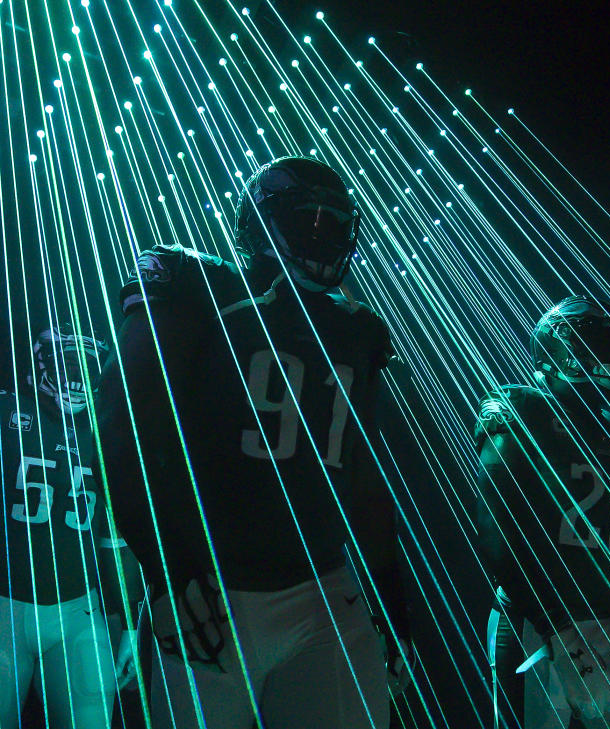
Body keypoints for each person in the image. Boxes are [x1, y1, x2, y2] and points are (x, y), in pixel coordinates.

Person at [95, 156, 409, 729]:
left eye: (335, 223)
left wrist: (391, 598)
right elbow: (127, 424)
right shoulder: (195, 284)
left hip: (322, 585)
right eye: (307, 220)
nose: (324, 234)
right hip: (214, 586)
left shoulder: (358, 329)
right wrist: (169, 569)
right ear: (259, 223)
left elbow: (362, 475)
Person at [475, 295, 610, 729]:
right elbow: (499, 534)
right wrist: (555, 624)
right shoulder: (526, 410)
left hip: (596, 615)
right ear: (559, 351)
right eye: (599, 348)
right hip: (535, 616)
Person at [0, 325, 139, 729]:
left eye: (88, 363)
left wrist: (129, 622)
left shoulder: (109, 434)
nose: (78, 374)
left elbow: (115, 540)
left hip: (78, 609)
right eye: (67, 361)